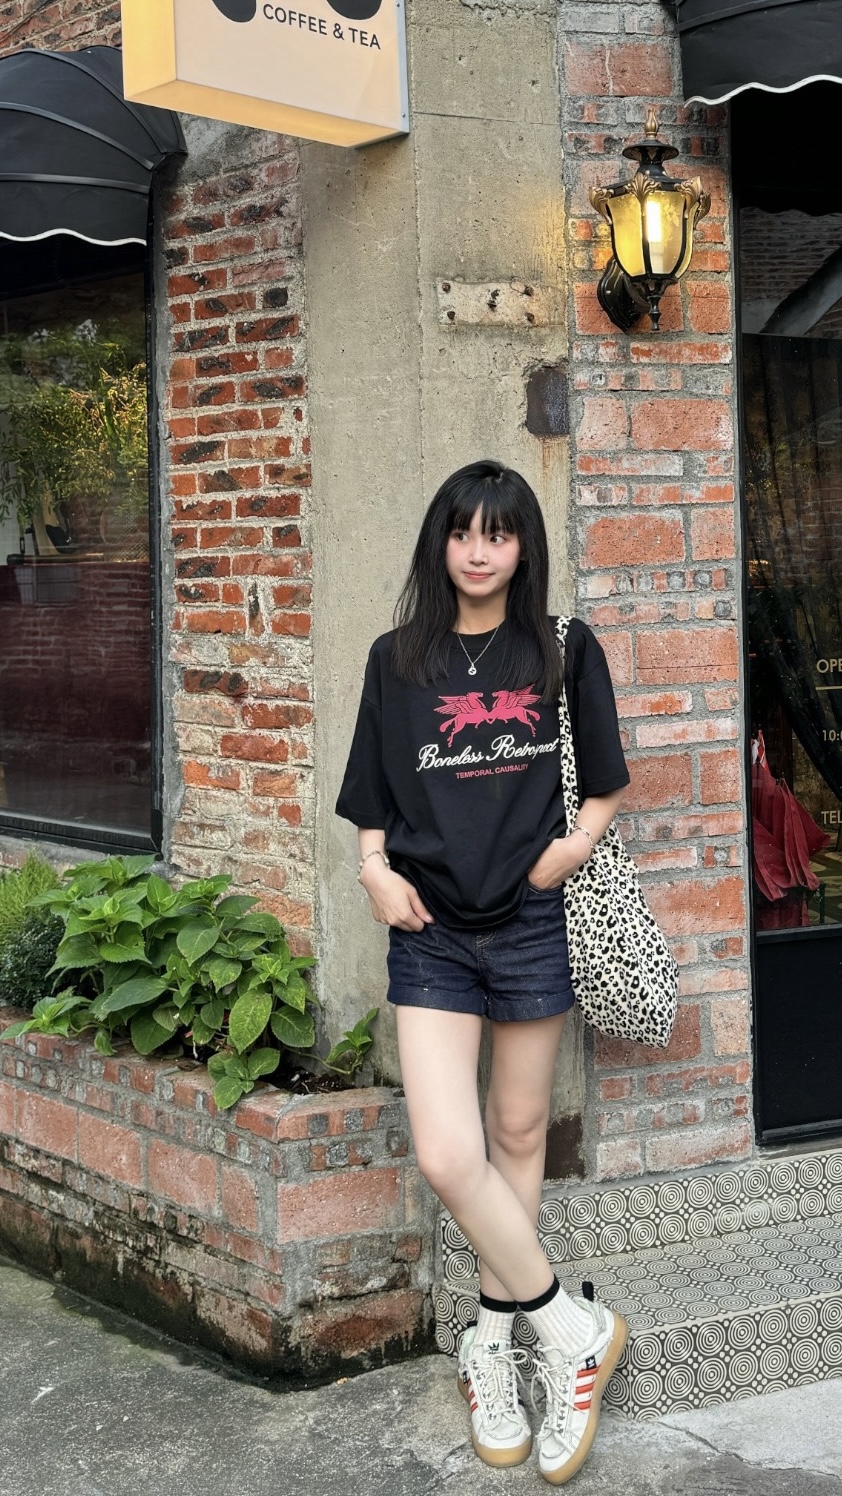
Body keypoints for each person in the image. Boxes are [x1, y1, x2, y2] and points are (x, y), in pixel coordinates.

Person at [336, 459, 630, 1486]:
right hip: (428, 927)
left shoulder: (561, 648)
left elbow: (604, 781)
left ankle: (493, 1349)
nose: (477, 551)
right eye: (461, 532)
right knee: (448, 1153)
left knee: (517, 1133)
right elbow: (370, 791)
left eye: (497, 534)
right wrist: (372, 869)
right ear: (440, 542)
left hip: (532, 920)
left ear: (522, 546)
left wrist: (569, 850)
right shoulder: (396, 658)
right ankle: (571, 1330)